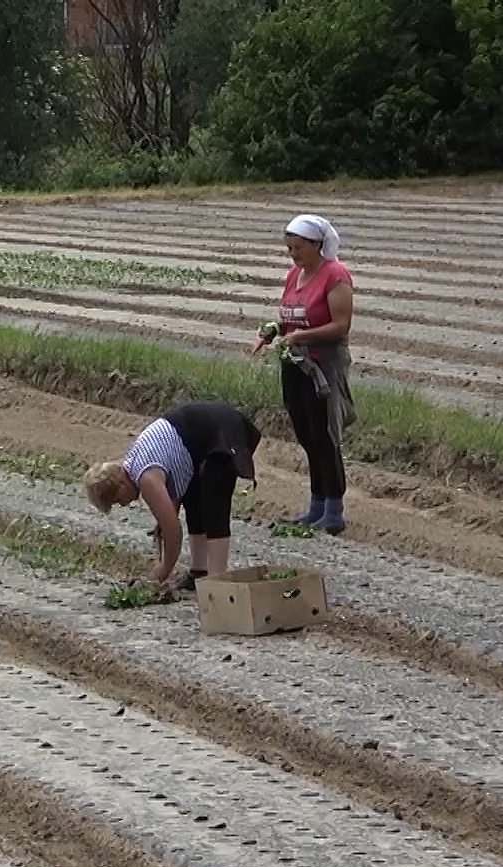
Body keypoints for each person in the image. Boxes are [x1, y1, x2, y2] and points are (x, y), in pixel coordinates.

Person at [82, 401, 263, 591]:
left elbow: (173, 531)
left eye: (118, 500)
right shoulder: (133, 460)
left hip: (223, 432)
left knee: (213, 504)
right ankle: (199, 572)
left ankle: (218, 582)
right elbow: (174, 492)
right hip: (204, 436)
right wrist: (165, 519)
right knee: (193, 497)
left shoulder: (145, 477)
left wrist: (162, 572)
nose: (125, 504)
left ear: (120, 485)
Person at [253, 214, 354, 534]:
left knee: (324, 434)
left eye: (298, 247)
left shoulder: (335, 275)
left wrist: (300, 337)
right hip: (294, 364)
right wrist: (274, 331)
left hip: (322, 365)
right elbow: (291, 317)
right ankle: (316, 505)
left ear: (316, 245)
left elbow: (340, 325)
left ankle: (334, 510)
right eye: (289, 248)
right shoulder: (293, 275)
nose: (293, 254)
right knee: (306, 434)